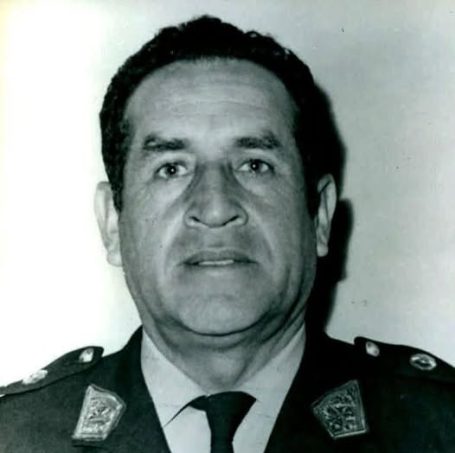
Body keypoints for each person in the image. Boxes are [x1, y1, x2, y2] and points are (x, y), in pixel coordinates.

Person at [1, 15, 454, 453]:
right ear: (112, 223)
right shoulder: (15, 436)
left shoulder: (438, 426)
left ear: (319, 216)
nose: (215, 207)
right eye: (171, 168)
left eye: (255, 165)